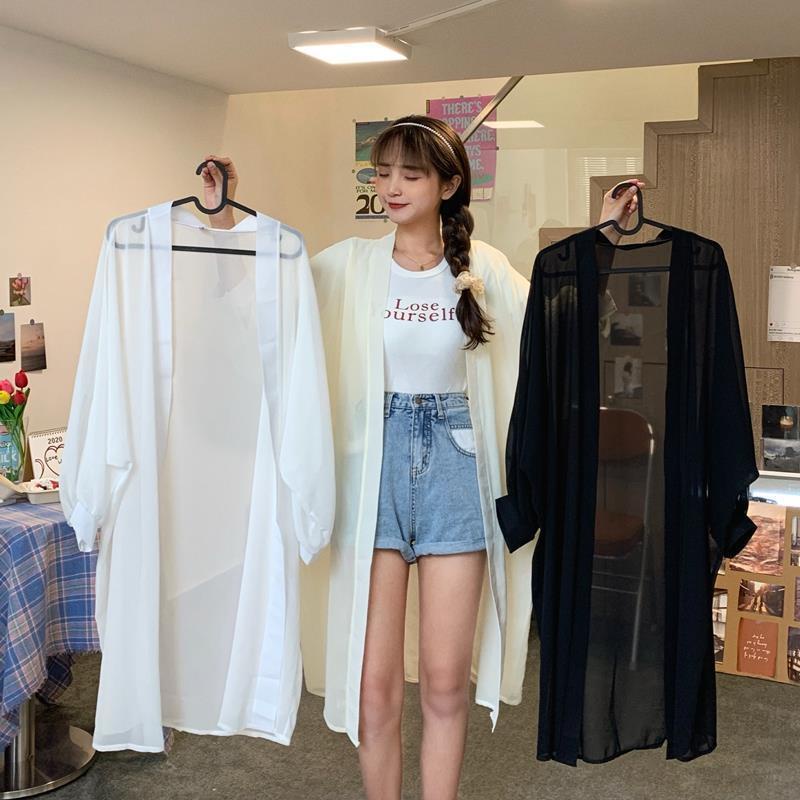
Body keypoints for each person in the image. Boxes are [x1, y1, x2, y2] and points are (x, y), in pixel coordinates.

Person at [199, 116, 641, 800]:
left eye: (410, 174)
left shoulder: (482, 267)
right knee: (372, 687)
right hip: (370, 470)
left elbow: (557, 318)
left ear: (449, 184)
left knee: (443, 681)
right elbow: (269, 303)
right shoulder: (350, 263)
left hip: (458, 473)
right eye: (383, 173)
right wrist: (225, 216)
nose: (393, 187)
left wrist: (603, 236)